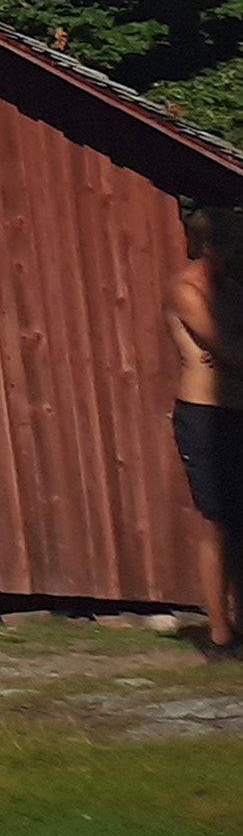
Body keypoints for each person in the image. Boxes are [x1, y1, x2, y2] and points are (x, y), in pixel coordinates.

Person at [175, 200, 242, 660]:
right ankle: (219, 635)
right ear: (208, 247)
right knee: (216, 523)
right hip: (204, 415)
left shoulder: (232, 289)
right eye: (233, 246)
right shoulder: (186, 290)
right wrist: (231, 350)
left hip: (237, 411)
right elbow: (228, 349)